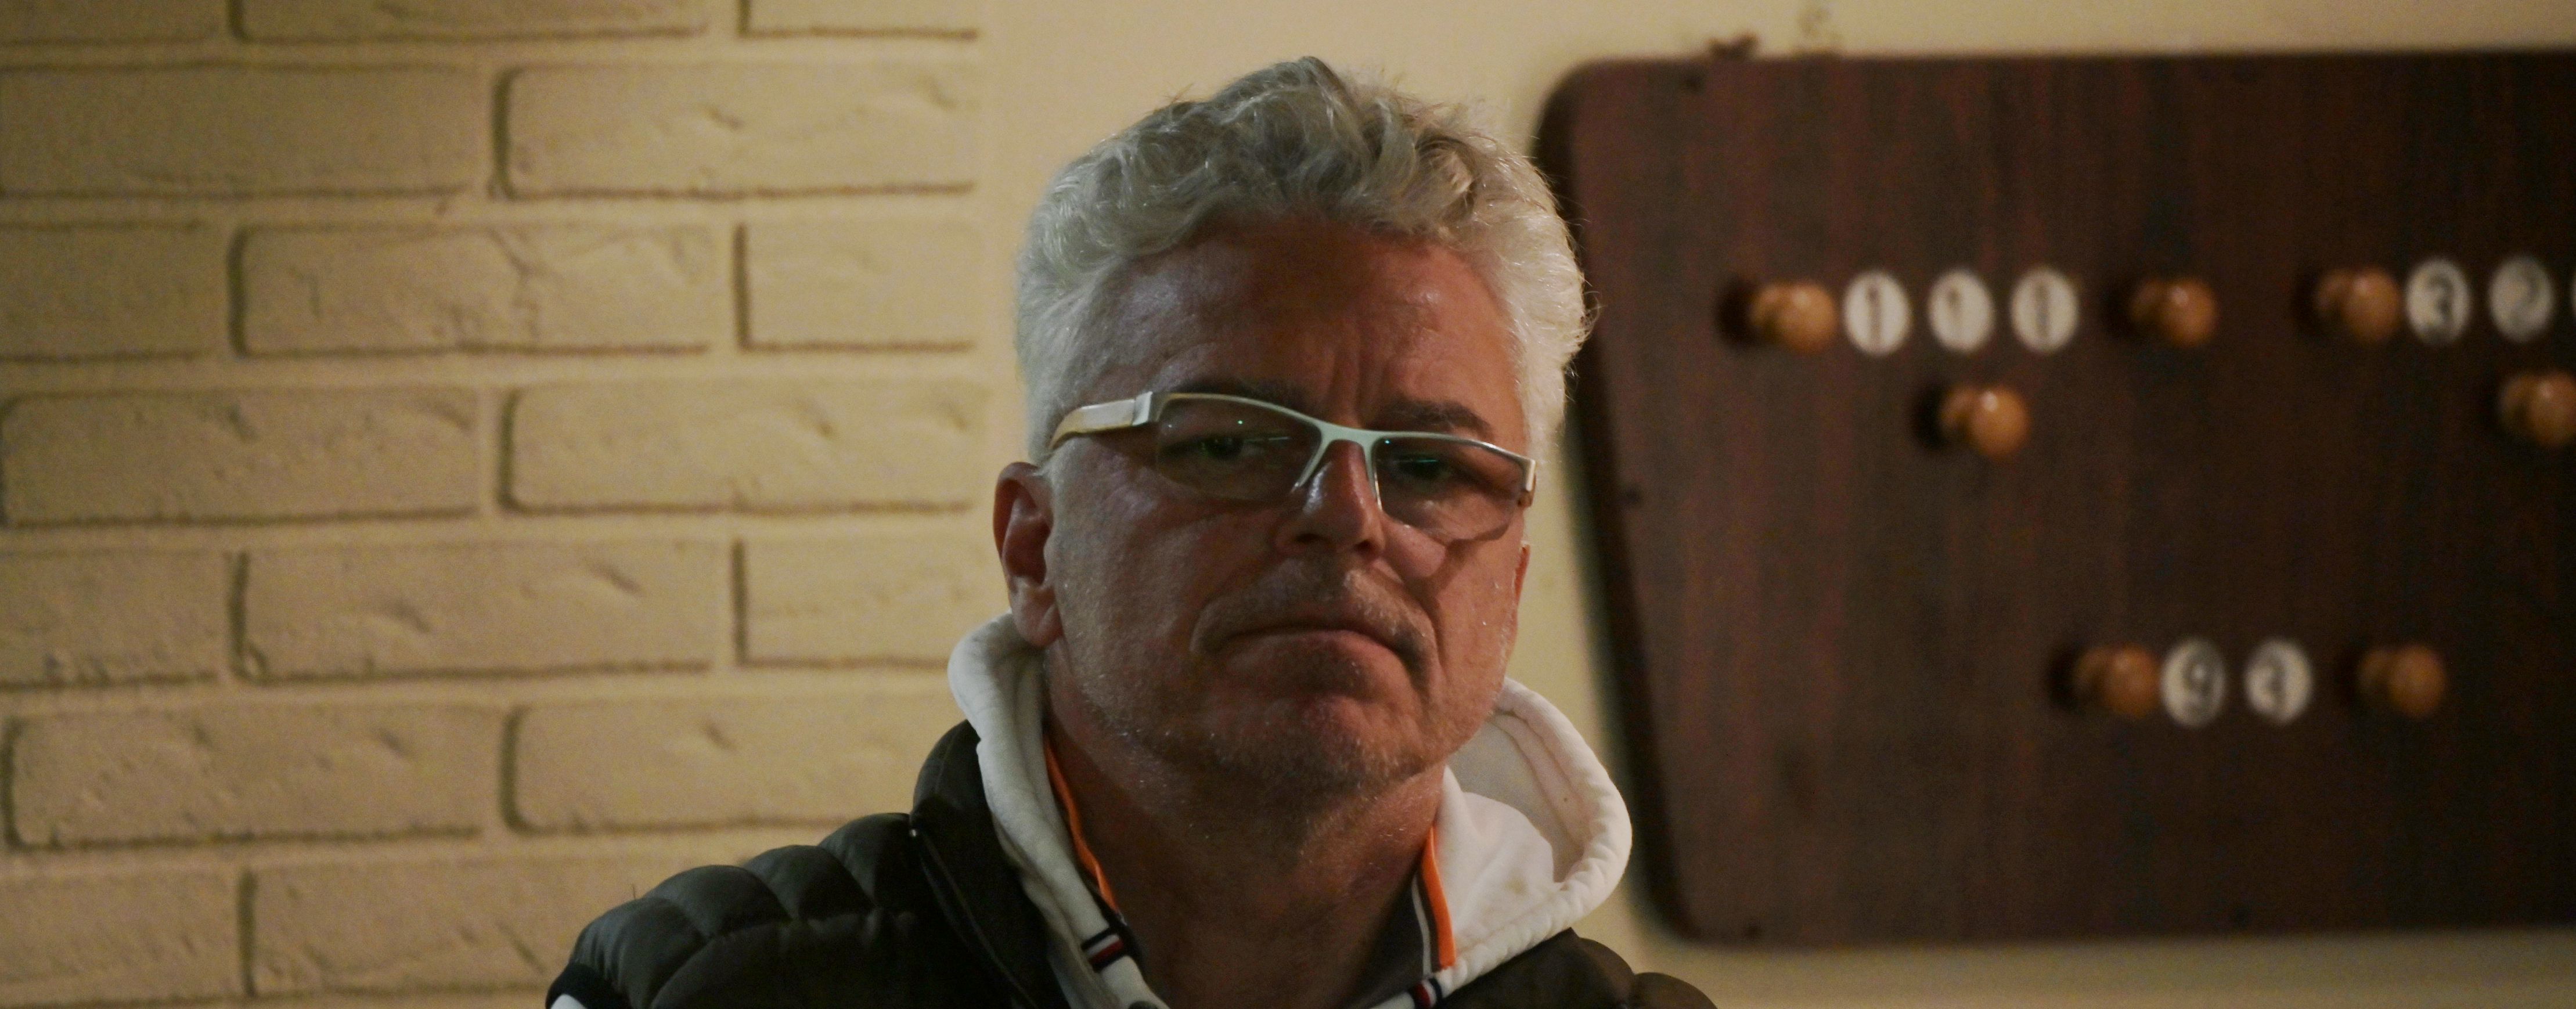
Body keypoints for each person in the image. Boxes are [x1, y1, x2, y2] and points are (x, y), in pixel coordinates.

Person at [544, 57, 1712, 1009]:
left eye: (1428, 466)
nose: (1346, 517)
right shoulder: (700, 990)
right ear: (1033, 546)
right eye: (1228, 443)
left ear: (1510, 584)